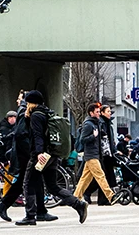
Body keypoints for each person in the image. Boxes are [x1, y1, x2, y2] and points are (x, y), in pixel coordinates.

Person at [14, 90, 87, 227]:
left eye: (28, 102)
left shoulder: (36, 115)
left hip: (41, 155)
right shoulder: (48, 113)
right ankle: (78, 204)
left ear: (31, 103)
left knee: (28, 183)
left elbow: (38, 135)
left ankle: (30, 216)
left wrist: (39, 152)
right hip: (53, 154)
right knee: (53, 186)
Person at [0, 104, 39, 223]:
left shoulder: (25, 114)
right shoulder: (24, 113)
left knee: (21, 183)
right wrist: (30, 152)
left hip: (23, 156)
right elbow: (21, 136)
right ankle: (34, 212)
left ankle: (3, 206)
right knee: (28, 182)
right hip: (25, 156)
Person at [73, 103, 115, 204]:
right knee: (100, 176)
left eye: (99, 112)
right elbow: (83, 140)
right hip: (91, 155)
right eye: (97, 112)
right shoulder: (88, 124)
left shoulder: (95, 123)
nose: (98, 114)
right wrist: (93, 136)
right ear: (91, 113)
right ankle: (110, 196)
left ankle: (75, 198)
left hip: (94, 154)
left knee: (84, 179)